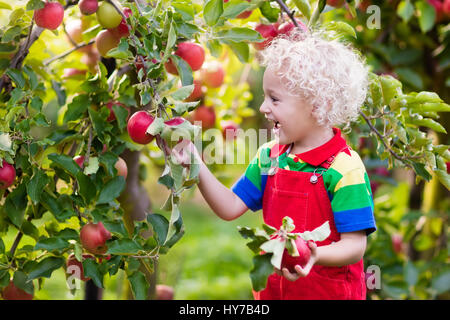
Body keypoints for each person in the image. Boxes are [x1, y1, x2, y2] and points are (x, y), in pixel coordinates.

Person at [173, 28, 376, 300]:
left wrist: (315, 253)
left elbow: (354, 245)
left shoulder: (344, 168)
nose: (263, 108)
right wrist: (195, 163)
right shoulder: (270, 156)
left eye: (275, 99)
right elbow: (230, 206)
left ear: (319, 105)